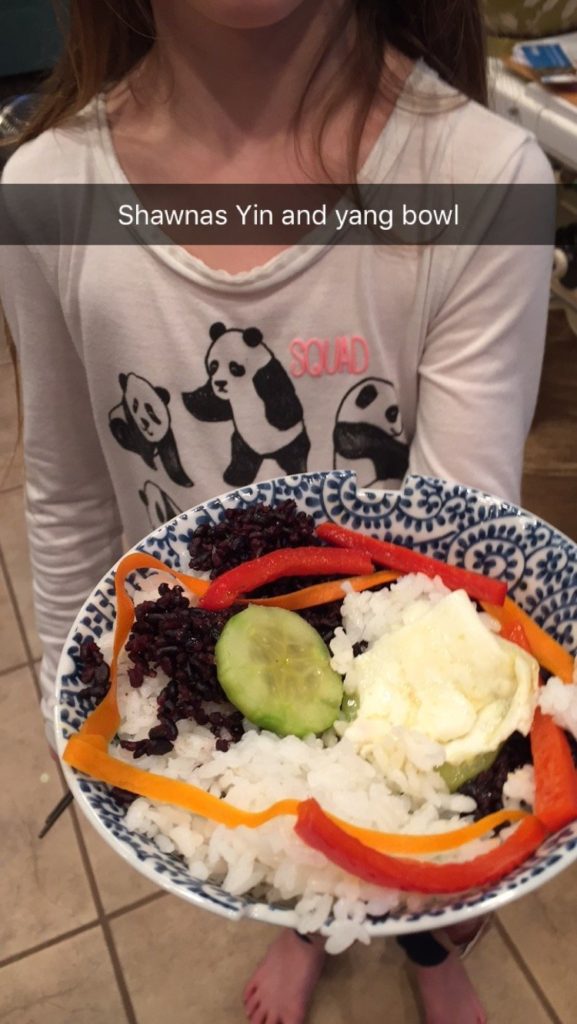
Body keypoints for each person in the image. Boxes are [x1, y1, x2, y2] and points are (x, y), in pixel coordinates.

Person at [0, 1, 553, 1022]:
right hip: (219, 689)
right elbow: (69, 490)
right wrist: (60, 680)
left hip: (392, 676)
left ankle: (427, 952)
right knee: (281, 816)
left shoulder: (480, 179)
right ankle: (308, 929)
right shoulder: (45, 194)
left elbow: (462, 563)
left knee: (390, 827)